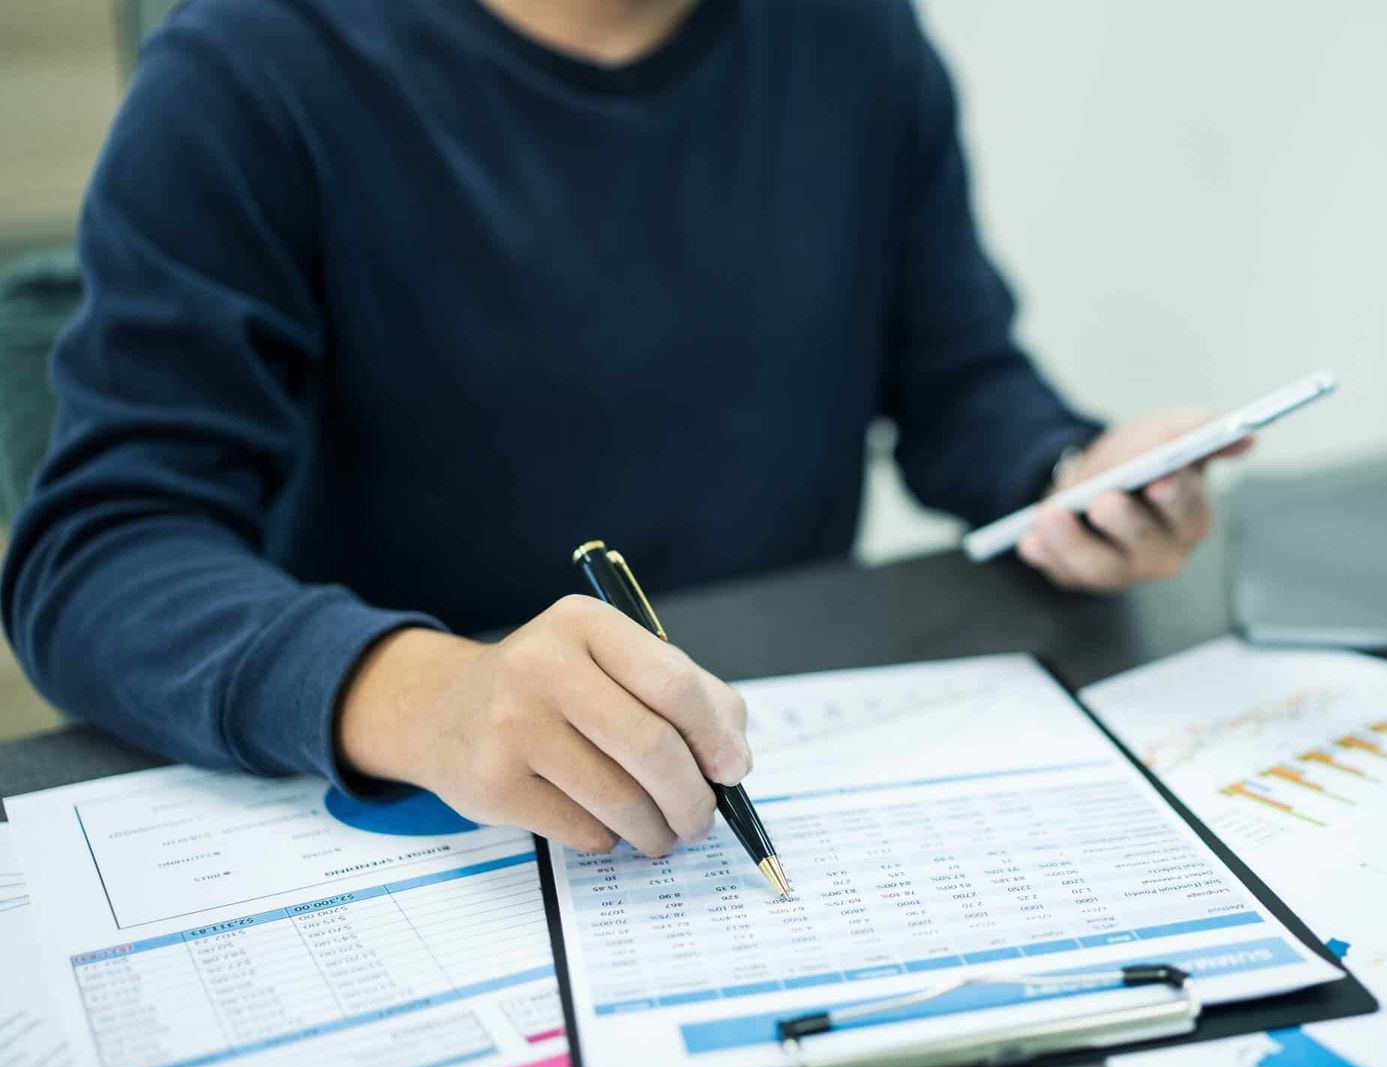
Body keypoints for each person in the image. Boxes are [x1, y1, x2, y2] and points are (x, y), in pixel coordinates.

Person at [2, 0, 1241, 857]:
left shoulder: (858, 42)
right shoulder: (248, 72)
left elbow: (959, 379)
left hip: (775, 746)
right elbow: (98, 554)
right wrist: (422, 693)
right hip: (430, 826)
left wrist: (1066, 474)